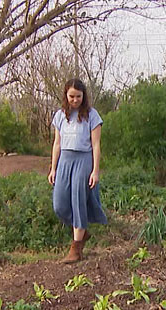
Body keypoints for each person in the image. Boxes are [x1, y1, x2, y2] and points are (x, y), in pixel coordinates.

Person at [49, 79, 107, 264]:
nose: (75, 100)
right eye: (72, 96)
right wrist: (53, 168)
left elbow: (96, 145)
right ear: (66, 95)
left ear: (84, 96)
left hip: (84, 160)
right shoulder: (60, 115)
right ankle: (82, 231)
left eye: (79, 96)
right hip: (65, 160)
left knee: (78, 199)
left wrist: (95, 171)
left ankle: (76, 248)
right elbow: (57, 144)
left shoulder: (92, 115)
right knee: (60, 204)